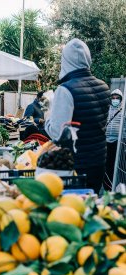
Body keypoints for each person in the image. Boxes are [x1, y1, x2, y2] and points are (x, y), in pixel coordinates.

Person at [45, 38, 110, 194]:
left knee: (74, 211)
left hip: (76, 166)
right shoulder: (104, 87)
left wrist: (48, 113)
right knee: (89, 206)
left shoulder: (65, 90)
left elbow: (58, 133)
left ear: (65, 60)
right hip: (99, 162)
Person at [104, 89, 124, 191]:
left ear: (121, 99)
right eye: (113, 98)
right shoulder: (106, 110)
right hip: (106, 141)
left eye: (117, 98)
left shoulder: (123, 111)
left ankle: (118, 185)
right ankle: (108, 186)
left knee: (117, 164)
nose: (115, 100)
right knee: (107, 165)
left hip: (118, 142)